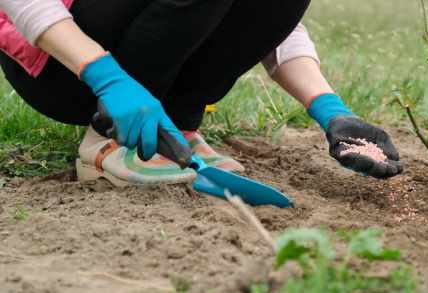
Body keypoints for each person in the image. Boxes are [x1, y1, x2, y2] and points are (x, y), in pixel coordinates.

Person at [0, 0, 403, 188]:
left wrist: (330, 110)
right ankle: (106, 139)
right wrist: (108, 79)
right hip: (60, 66)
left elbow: (267, 23)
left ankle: (174, 124)